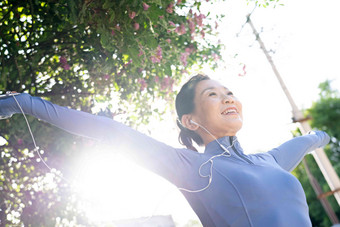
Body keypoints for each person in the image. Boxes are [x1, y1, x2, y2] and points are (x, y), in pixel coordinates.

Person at [0, 74, 330, 227]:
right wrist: (28, 104)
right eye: (212, 95)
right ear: (190, 120)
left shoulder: (270, 160)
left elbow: (311, 139)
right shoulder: (190, 166)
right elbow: (110, 131)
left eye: (229, 91)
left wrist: (325, 135)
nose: (228, 97)